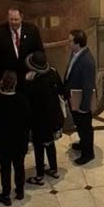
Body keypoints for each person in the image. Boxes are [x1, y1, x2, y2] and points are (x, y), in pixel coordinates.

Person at [0, 70, 31, 205]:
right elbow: (28, 120)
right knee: (19, 166)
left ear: (2, 83)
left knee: (5, 168)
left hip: (1, 141)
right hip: (19, 141)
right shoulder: (22, 100)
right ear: (15, 83)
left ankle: (5, 194)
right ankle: (20, 191)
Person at [24, 50, 65, 187]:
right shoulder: (53, 73)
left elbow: (28, 102)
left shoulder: (33, 82)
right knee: (50, 143)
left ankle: (39, 176)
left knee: (39, 147)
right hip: (54, 118)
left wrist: (27, 82)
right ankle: (54, 169)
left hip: (39, 122)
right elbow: (61, 90)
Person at [64, 27, 98, 165]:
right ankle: (83, 143)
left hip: (82, 101)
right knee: (79, 124)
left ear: (78, 43)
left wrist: (84, 108)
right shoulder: (75, 53)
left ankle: (88, 153)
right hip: (74, 96)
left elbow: (88, 87)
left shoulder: (87, 62)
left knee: (85, 127)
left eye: (70, 41)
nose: (68, 43)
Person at [0, 6, 43, 81]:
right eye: (11, 19)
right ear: (7, 18)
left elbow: (40, 51)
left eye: (16, 19)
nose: (13, 22)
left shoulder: (32, 30)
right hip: (9, 78)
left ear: (21, 18)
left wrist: (36, 72)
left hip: (29, 76)